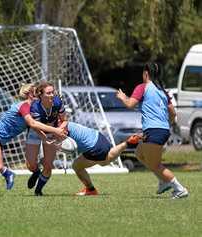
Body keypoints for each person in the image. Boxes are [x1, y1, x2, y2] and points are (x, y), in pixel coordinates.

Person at [0, 83, 67, 198]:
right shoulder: (24, 106)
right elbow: (32, 123)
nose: (38, 93)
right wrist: (55, 131)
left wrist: (46, 137)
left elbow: (38, 124)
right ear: (29, 95)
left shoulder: (33, 108)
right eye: (35, 91)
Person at [116, 62, 188, 199]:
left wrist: (122, 97)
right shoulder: (162, 91)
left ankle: (179, 189)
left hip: (154, 131)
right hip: (161, 130)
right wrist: (166, 124)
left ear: (146, 73)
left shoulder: (143, 87)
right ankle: (162, 181)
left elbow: (130, 104)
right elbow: (172, 113)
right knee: (139, 153)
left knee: (155, 165)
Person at [58, 122, 141, 196]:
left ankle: (91, 190)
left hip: (93, 147)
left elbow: (66, 145)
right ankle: (127, 143)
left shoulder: (59, 129)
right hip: (99, 136)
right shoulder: (65, 122)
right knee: (104, 161)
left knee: (77, 166)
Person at [25, 81, 68, 196]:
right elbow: (36, 127)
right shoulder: (35, 107)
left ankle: (38, 191)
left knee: (48, 165)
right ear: (40, 95)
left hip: (52, 132)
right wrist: (46, 137)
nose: (52, 95)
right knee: (30, 165)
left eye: (53, 92)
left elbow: (64, 120)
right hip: (36, 132)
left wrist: (60, 130)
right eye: (48, 93)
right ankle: (36, 172)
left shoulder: (58, 102)